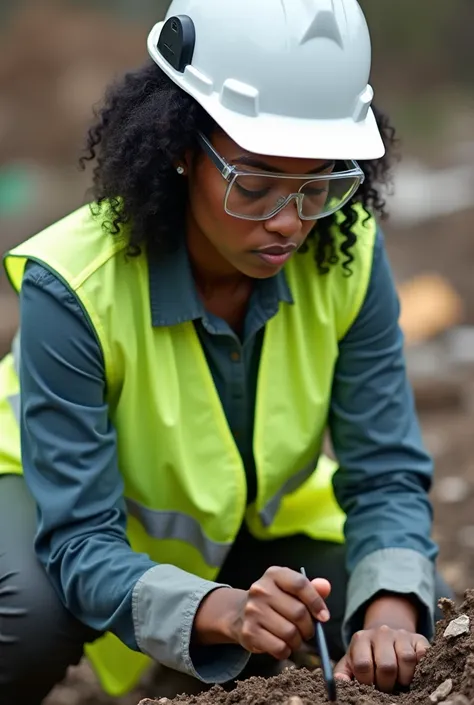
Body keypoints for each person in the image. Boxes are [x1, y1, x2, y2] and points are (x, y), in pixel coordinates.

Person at [0, 0, 451, 703]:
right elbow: (80, 542)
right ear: (182, 148)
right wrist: (224, 611)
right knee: (21, 615)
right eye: (255, 182)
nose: (287, 222)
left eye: (318, 185)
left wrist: (388, 618)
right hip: (54, 509)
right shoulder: (73, 286)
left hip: (247, 531)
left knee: (420, 601)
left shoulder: (348, 251)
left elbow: (386, 469)